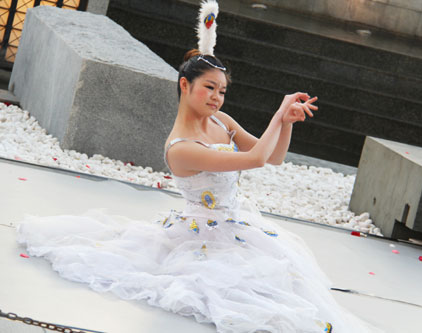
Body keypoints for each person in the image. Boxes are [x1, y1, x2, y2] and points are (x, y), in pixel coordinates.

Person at [17, 1, 381, 332]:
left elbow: (272, 156)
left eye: (222, 91)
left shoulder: (221, 121)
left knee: (290, 281)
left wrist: (286, 123)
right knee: (250, 298)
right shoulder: (182, 149)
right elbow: (254, 160)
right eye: (209, 88)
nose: (217, 97)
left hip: (239, 224)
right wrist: (277, 111)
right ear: (185, 85)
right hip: (204, 236)